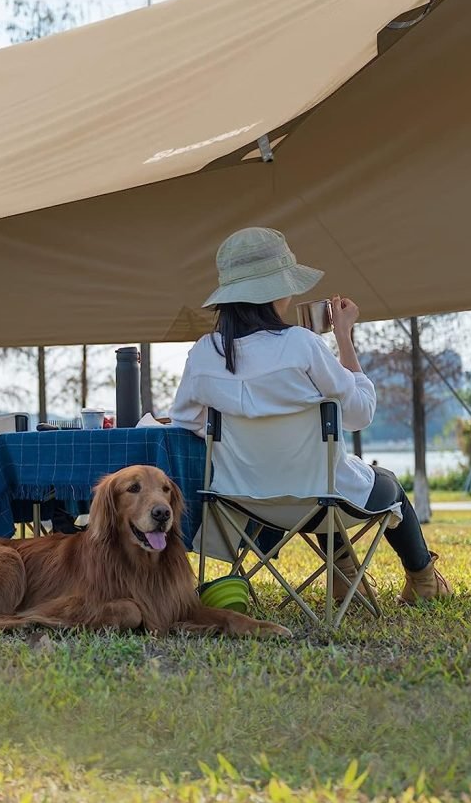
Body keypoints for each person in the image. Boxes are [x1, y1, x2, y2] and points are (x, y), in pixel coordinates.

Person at [169, 227, 451, 605]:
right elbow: (359, 414)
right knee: (379, 483)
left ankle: (344, 577)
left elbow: (185, 423)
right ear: (277, 291)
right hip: (318, 501)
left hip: (240, 502)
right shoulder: (302, 345)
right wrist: (344, 336)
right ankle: (424, 581)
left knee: (320, 478)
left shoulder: (203, 354)